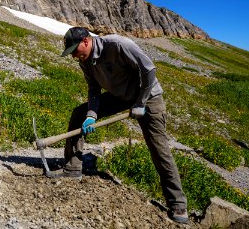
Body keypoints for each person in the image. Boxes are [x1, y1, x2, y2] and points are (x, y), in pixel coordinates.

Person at [49, 26, 189, 224]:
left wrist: (141, 102)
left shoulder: (117, 45)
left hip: (148, 96)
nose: (74, 57)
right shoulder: (85, 60)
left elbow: (148, 69)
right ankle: (72, 168)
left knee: (159, 149)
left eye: (74, 51)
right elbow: (93, 89)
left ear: (86, 41)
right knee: (78, 114)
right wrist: (91, 115)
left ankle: (177, 203)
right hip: (120, 96)